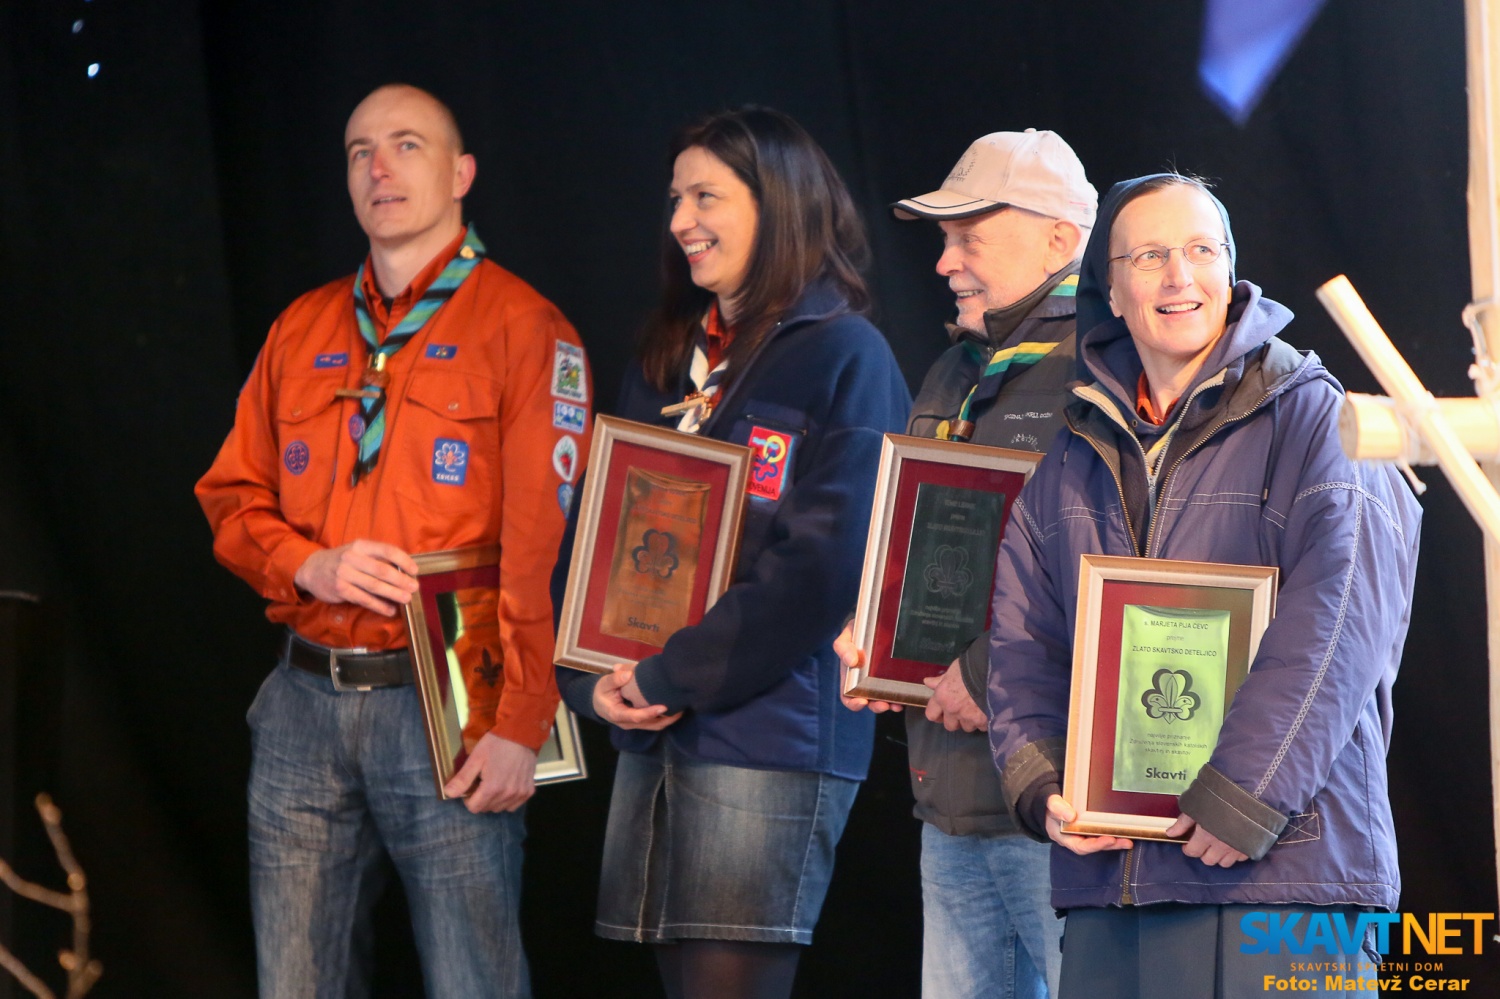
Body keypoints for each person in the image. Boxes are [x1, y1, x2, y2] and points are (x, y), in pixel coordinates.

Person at [196, 83, 589, 998]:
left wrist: (521, 720)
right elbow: (230, 494)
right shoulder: (301, 327)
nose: (379, 166)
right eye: (358, 150)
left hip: (446, 701)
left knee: (472, 980)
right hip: (302, 700)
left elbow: (538, 546)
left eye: (406, 145)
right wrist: (310, 562)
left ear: (460, 174)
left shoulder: (526, 330)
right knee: (295, 983)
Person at [986, 173, 1421, 999]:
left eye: (1200, 251)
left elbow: (1342, 623)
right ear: (1110, 290)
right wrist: (1045, 786)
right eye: (1149, 256)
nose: (1179, 277)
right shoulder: (1070, 457)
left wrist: (1245, 793)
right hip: (1112, 882)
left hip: (1283, 875)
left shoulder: (1320, 419)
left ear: (1231, 269)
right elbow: (1021, 642)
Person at [552, 106, 910, 999]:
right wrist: (587, 680)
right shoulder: (673, 356)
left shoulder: (846, 357)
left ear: (778, 204)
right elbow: (598, 528)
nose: (680, 220)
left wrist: (670, 674)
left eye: (706, 195)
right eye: (675, 197)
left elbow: (820, 571)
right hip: (656, 731)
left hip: (770, 737)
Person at [836, 129, 1097, 999]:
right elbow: (912, 548)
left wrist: (985, 671)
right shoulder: (951, 370)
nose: (946, 262)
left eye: (970, 235)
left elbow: (1117, 567)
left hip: (1052, 814)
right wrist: (872, 634)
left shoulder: (1107, 374)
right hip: (945, 804)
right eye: (944, 238)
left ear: (1061, 239)